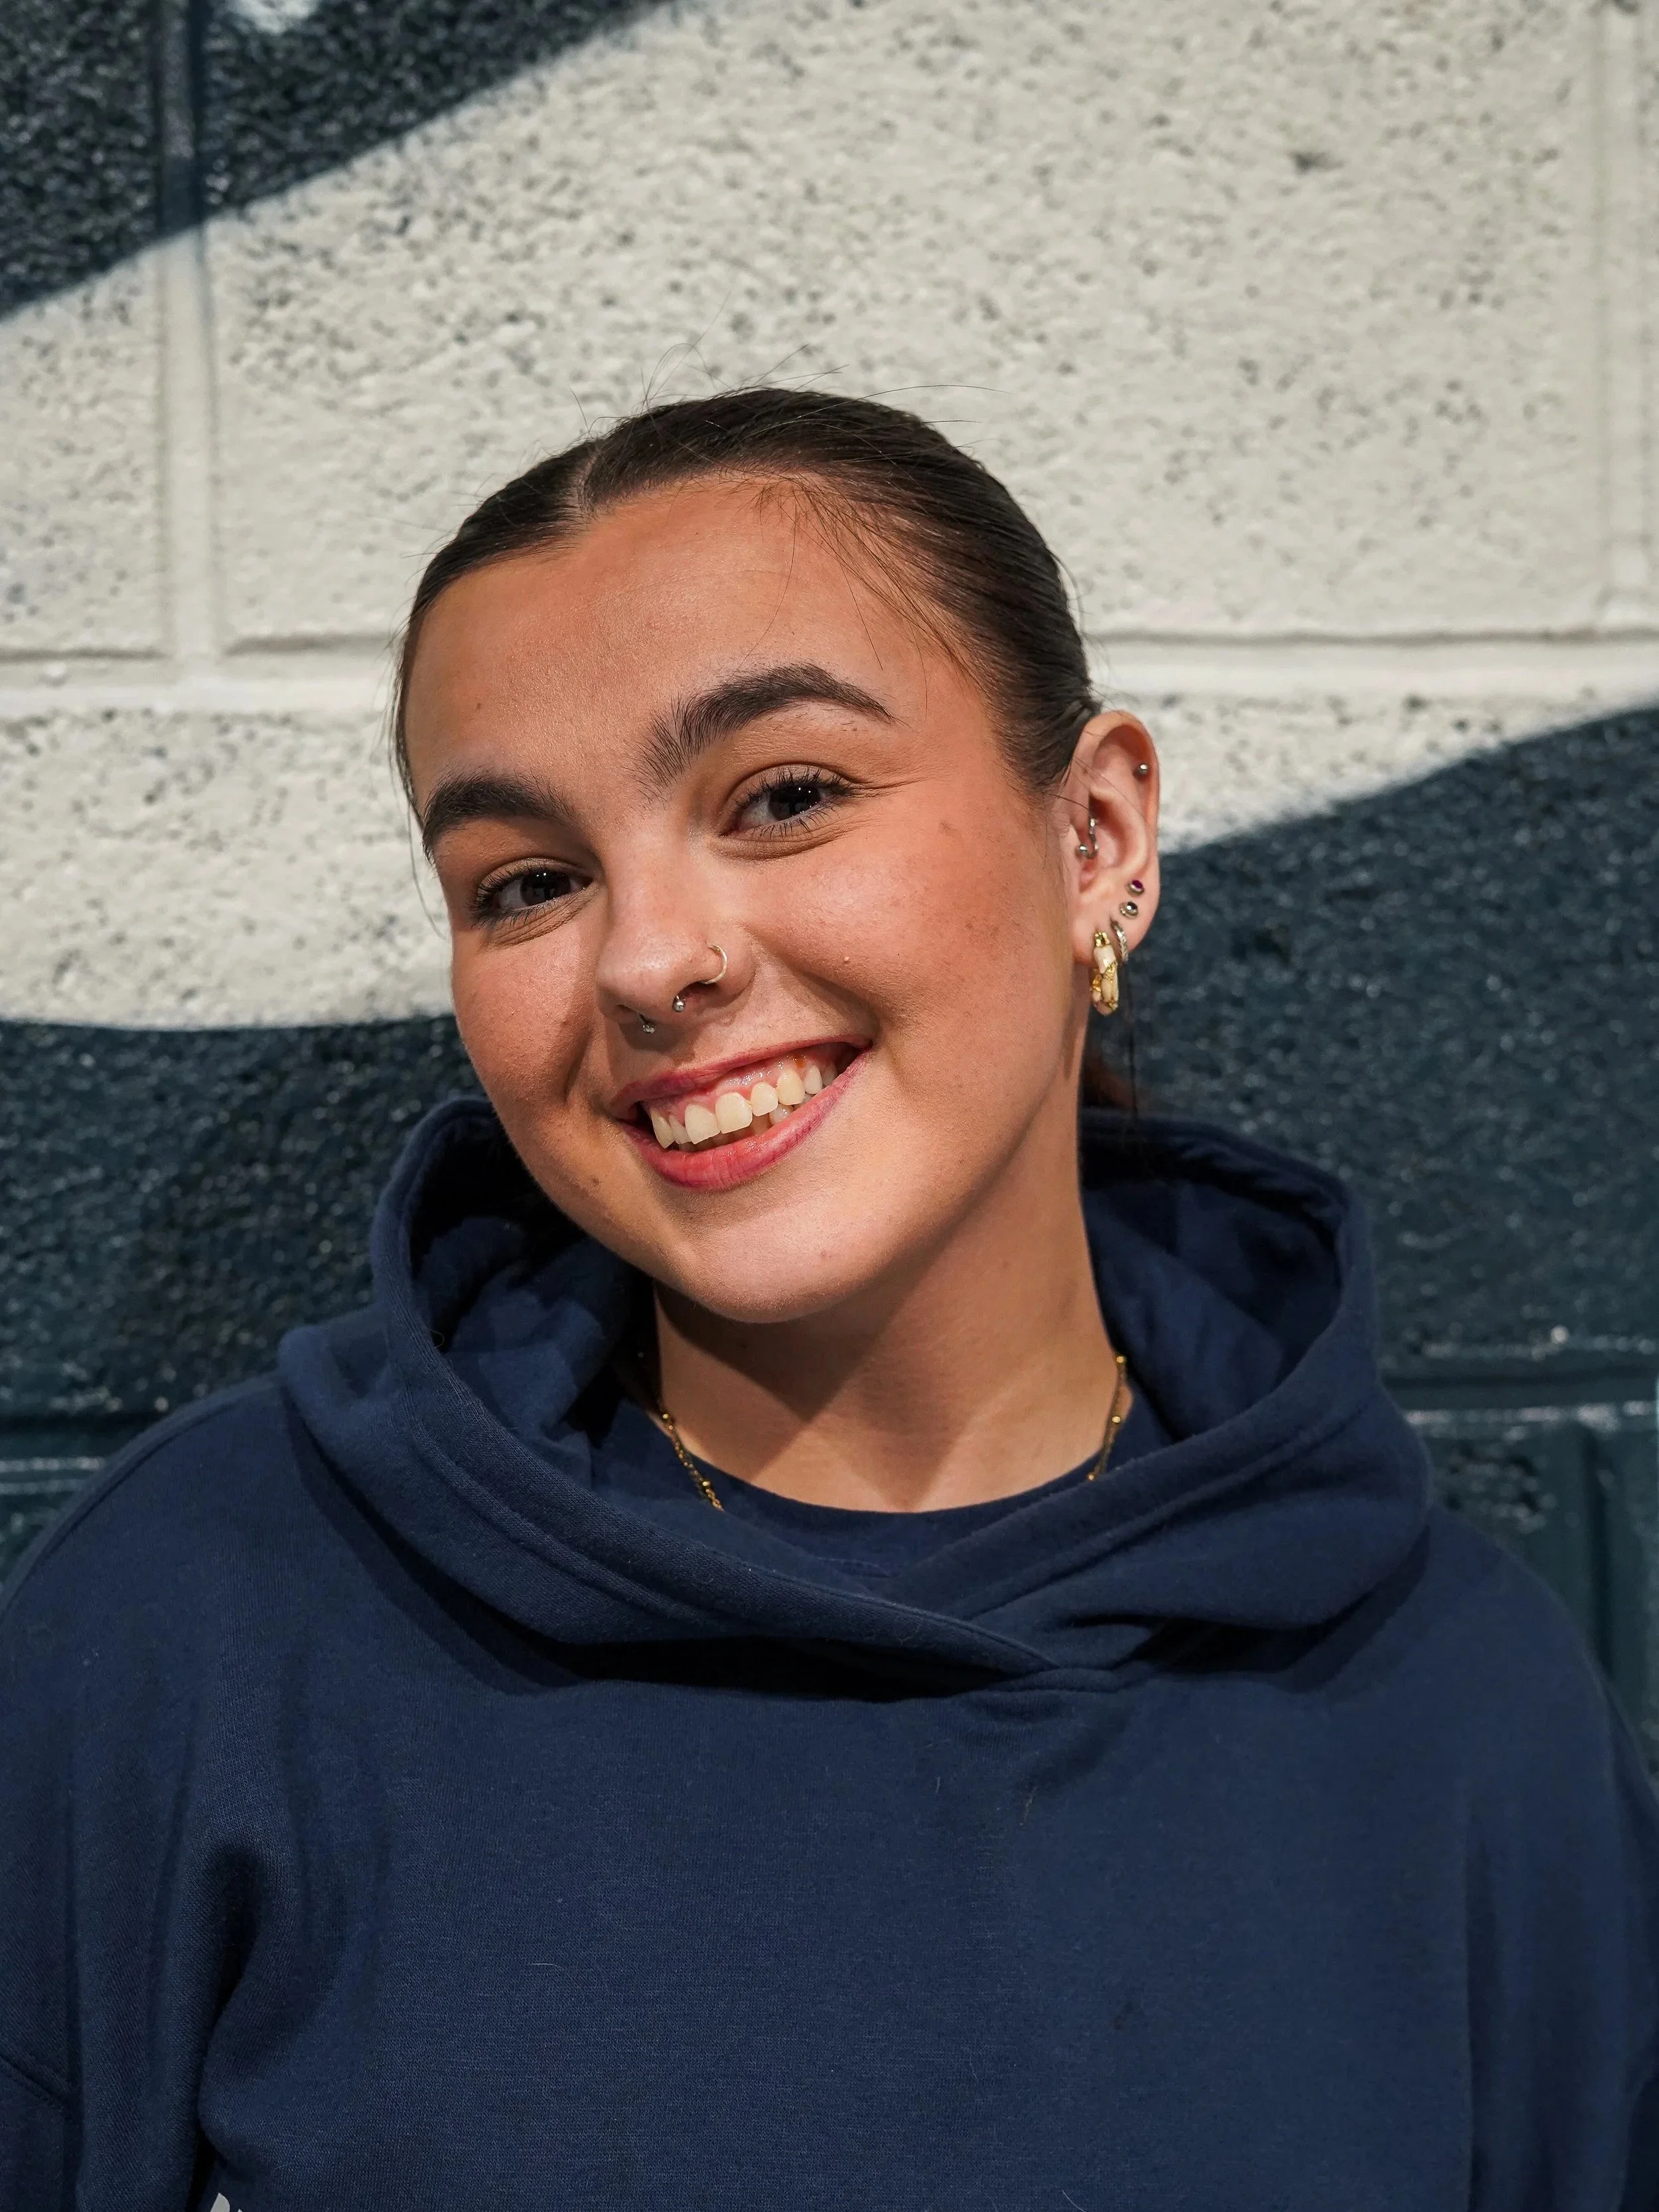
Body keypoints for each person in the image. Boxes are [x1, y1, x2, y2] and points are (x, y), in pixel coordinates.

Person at [2, 388, 1656, 2210]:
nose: (648, 959)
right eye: (527, 882)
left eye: (782, 795)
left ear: (1095, 835)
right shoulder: (203, 1621)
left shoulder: (1463, 1706)